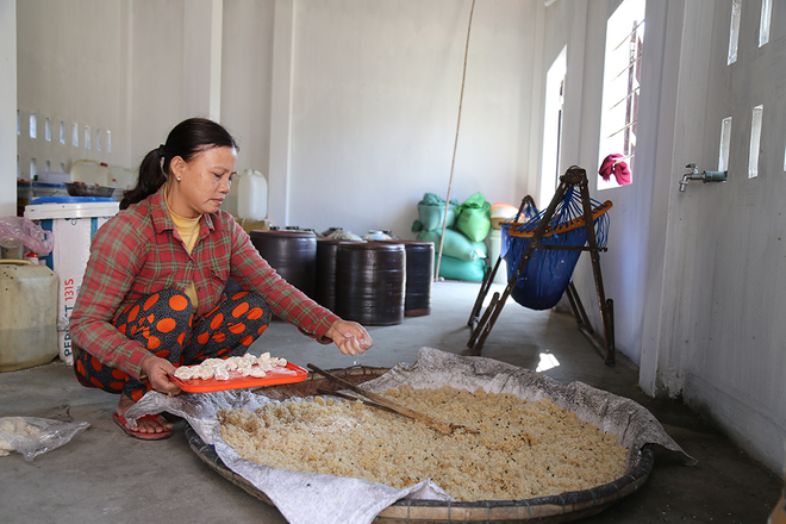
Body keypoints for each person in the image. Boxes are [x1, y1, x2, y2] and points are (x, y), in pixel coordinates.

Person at [70, 117, 372, 440]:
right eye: (217, 175)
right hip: (113, 363)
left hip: (176, 351)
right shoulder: (129, 231)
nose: (226, 187)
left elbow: (271, 286)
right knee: (173, 305)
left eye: (230, 177)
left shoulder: (224, 228)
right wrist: (144, 362)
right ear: (178, 168)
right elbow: (85, 323)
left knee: (254, 307)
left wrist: (330, 324)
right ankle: (135, 399)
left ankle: (189, 387)